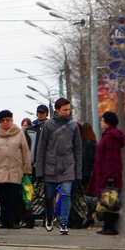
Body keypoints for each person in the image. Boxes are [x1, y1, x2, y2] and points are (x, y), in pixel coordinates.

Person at [34, 97, 82, 235]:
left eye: (69, 109)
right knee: (49, 196)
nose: (67, 112)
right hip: (50, 166)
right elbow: (41, 148)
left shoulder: (73, 126)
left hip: (68, 165)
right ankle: (50, 216)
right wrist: (39, 171)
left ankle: (64, 223)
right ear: (57, 110)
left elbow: (78, 150)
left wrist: (77, 173)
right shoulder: (48, 126)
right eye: (64, 110)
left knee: (66, 193)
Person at [0, 109, 31, 229]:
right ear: (0, 122)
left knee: (14, 197)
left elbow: (25, 152)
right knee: (3, 197)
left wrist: (27, 169)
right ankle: (5, 221)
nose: (5, 122)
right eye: (3, 121)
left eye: (8, 120)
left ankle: (14, 221)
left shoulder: (19, 134)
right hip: (0, 171)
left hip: (15, 170)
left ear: (11, 120)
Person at [89, 111, 125, 235]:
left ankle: (110, 226)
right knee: (109, 199)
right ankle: (108, 225)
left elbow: (111, 158)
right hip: (107, 173)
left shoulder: (110, 137)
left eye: (102, 120)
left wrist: (110, 176)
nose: (100, 122)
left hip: (108, 174)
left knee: (109, 199)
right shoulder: (109, 135)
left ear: (107, 122)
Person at [23, 104, 50, 228]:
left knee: (46, 194)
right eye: (39, 113)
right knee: (29, 193)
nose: (41, 115)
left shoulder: (50, 127)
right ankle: (29, 219)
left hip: (46, 167)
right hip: (31, 166)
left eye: (43, 113)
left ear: (47, 113)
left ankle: (47, 218)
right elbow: (25, 147)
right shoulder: (30, 129)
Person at [69, 121, 98, 228]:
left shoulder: (85, 144)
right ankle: (85, 217)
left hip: (81, 176)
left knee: (79, 198)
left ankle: (79, 219)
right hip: (86, 175)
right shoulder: (92, 143)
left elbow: (85, 162)